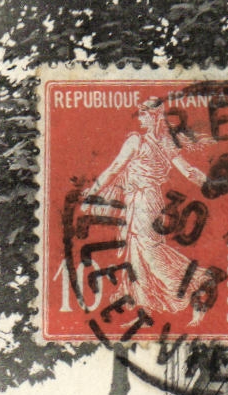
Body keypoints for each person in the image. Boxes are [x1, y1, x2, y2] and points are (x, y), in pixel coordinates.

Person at [82, 98, 215, 322]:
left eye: (143, 114)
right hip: (136, 200)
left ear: (153, 116)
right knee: (135, 256)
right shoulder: (161, 141)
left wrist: (94, 190)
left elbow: (115, 168)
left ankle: (197, 286)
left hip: (146, 201)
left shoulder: (144, 141)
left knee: (151, 253)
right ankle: (144, 310)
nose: (140, 118)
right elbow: (189, 171)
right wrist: (209, 183)